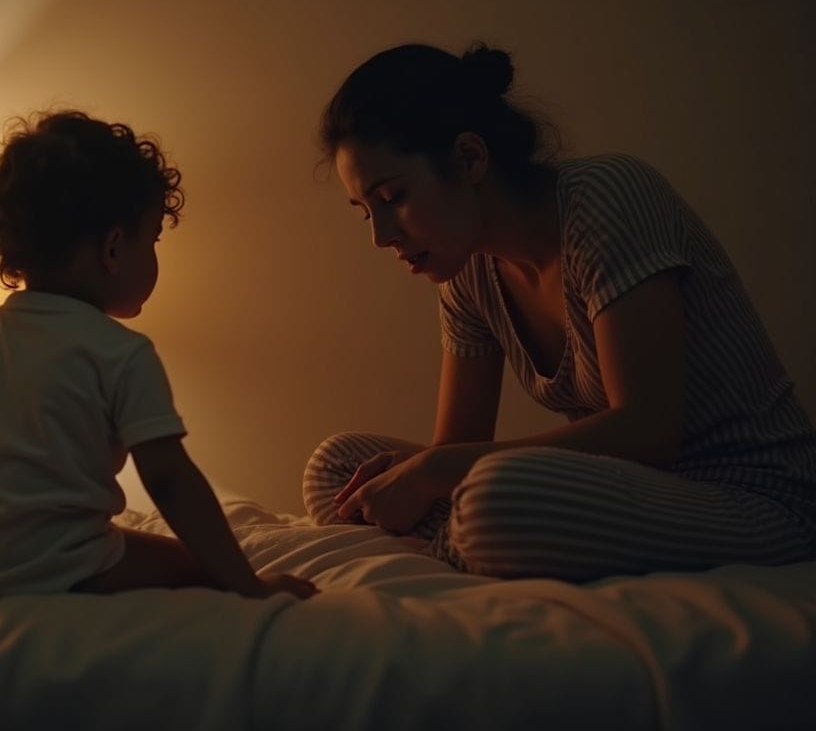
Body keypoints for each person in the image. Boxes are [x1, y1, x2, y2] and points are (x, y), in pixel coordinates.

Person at [303, 42, 816, 581]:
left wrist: (434, 469)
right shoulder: (468, 271)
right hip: (632, 496)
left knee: (490, 499)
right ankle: (475, 542)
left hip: (759, 497)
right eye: (365, 212)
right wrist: (427, 470)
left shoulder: (607, 199)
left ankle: (469, 544)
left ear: (470, 158)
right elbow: (457, 446)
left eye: (392, 197)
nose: (381, 236)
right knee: (336, 467)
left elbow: (648, 432)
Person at [0, 110, 316, 601]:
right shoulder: (121, 353)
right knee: (192, 565)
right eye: (153, 238)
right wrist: (246, 584)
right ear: (114, 248)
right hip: (59, 567)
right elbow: (169, 479)